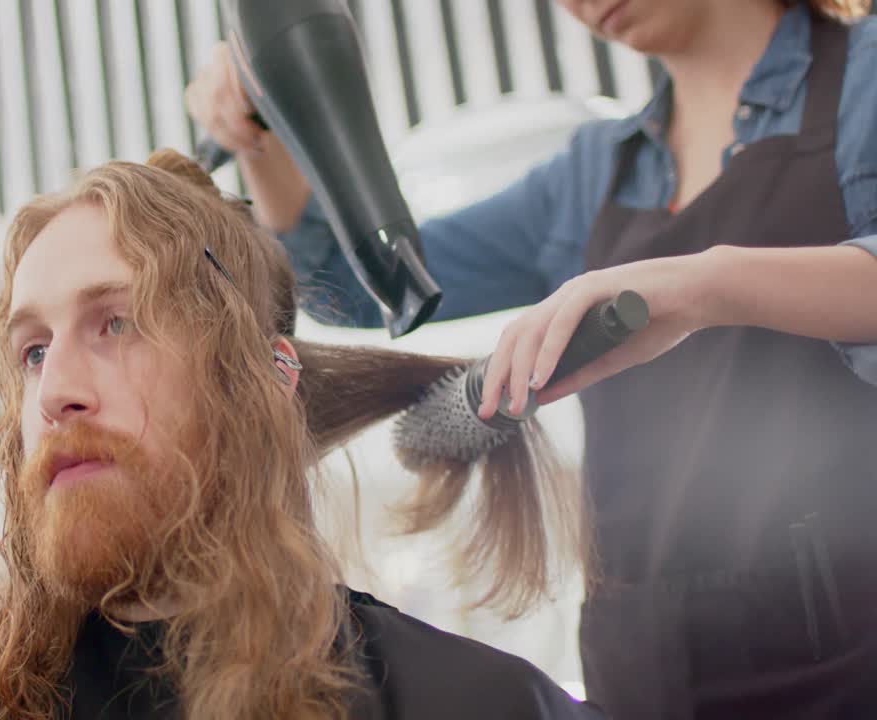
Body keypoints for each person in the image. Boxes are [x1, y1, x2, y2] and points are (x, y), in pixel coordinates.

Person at [185, 0, 877, 717]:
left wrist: (703, 284)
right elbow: (363, 286)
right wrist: (265, 136)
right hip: (639, 664)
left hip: (849, 654)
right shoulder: (593, 173)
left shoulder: (866, 72)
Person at [0, 150, 601, 719]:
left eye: (116, 323)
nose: (53, 394)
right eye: (34, 351)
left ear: (269, 377)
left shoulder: (470, 702)